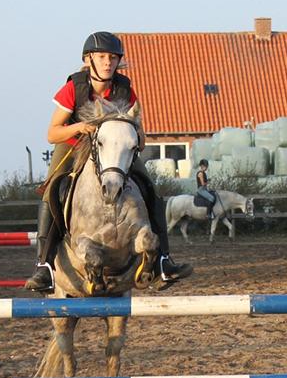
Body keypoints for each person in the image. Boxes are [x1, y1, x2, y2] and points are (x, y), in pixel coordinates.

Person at [24, 31, 192, 292]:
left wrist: (135, 135)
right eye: (102, 57)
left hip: (113, 151)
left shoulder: (124, 90)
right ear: (88, 59)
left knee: (149, 188)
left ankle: (163, 261)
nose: (108, 62)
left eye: (113, 58)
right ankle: (44, 266)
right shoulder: (74, 88)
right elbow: (52, 133)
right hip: (73, 145)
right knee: (52, 191)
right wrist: (80, 127)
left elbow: (140, 136)